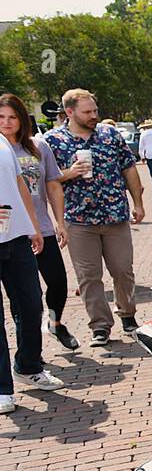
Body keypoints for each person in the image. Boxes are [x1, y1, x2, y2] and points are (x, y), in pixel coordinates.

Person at [43, 88, 145, 346]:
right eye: (87, 112)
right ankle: (100, 326)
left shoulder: (110, 135)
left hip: (115, 216)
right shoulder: (52, 141)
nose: (93, 116)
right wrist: (70, 172)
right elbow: (49, 180)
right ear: (69, 112)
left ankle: (128, 315)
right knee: (89, 276)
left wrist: (139, 202)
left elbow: (128, 168)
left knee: (123, 270)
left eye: (95, 110)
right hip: (78, 220)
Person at [0, 95, 78, 350]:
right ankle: (29, 349)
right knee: (22, 295)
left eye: (12, 117)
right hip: (11, 233)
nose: (7, 122)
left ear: (22, 119)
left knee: (57, 283)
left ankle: (54, 324)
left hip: (42, 228)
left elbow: (53, 185)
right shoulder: (1, 150)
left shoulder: (38, 146)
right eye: (1, 117)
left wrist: (60, 223)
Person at [0, 115, 64, 414]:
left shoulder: (3, 144)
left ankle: (28, 365)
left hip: (15, 238)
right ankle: (2, 389)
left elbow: (18, 185)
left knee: (31, 305)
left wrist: (33, 226)